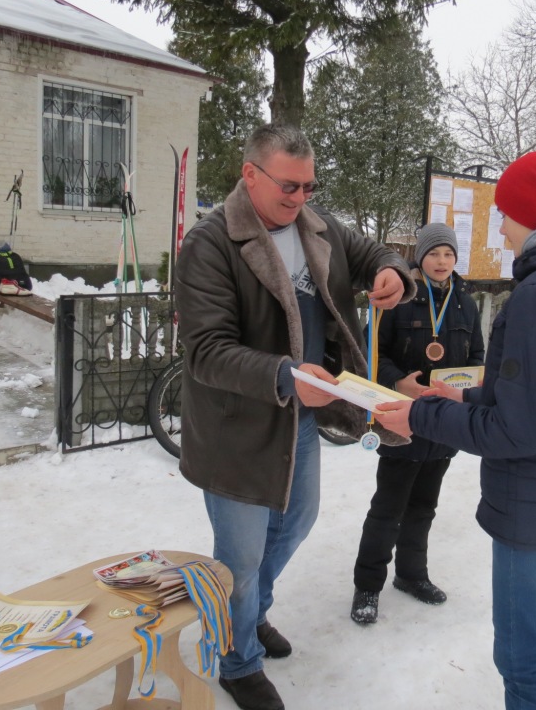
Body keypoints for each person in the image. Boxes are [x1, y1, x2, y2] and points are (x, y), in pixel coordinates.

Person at [374, 151, 536, 710]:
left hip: (534, 504)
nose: (499, 225)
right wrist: (461, 395)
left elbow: (517, 432)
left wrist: (419, 414)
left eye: (506, 213)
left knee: (523, 659)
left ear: (532, 216)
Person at [174, 123, 414, 710]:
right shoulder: (210, 244)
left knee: (298, 519)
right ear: (250, 174)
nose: (301, 198)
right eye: (290, 186)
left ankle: (248, 614)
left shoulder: (317, 225)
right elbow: (206, 351)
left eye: (310, 186)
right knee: (241, 554)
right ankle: (236, 660)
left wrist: (392, 272)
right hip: (239, 425)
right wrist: (287, 375)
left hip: (301, 416)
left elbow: (372, 254)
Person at [350, 223, 485, 625]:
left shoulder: (466, 302)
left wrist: (465, 386)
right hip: (402, 419)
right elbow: (370, 348)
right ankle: (368, 586)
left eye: (448, 254)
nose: (441, 262)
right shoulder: (399, 297)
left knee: (424, 505)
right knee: (387, 507)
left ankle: (412, 575)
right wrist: (397, 381)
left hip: (443, 422)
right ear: (420, 257)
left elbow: (476, 353)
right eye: (434, 254)